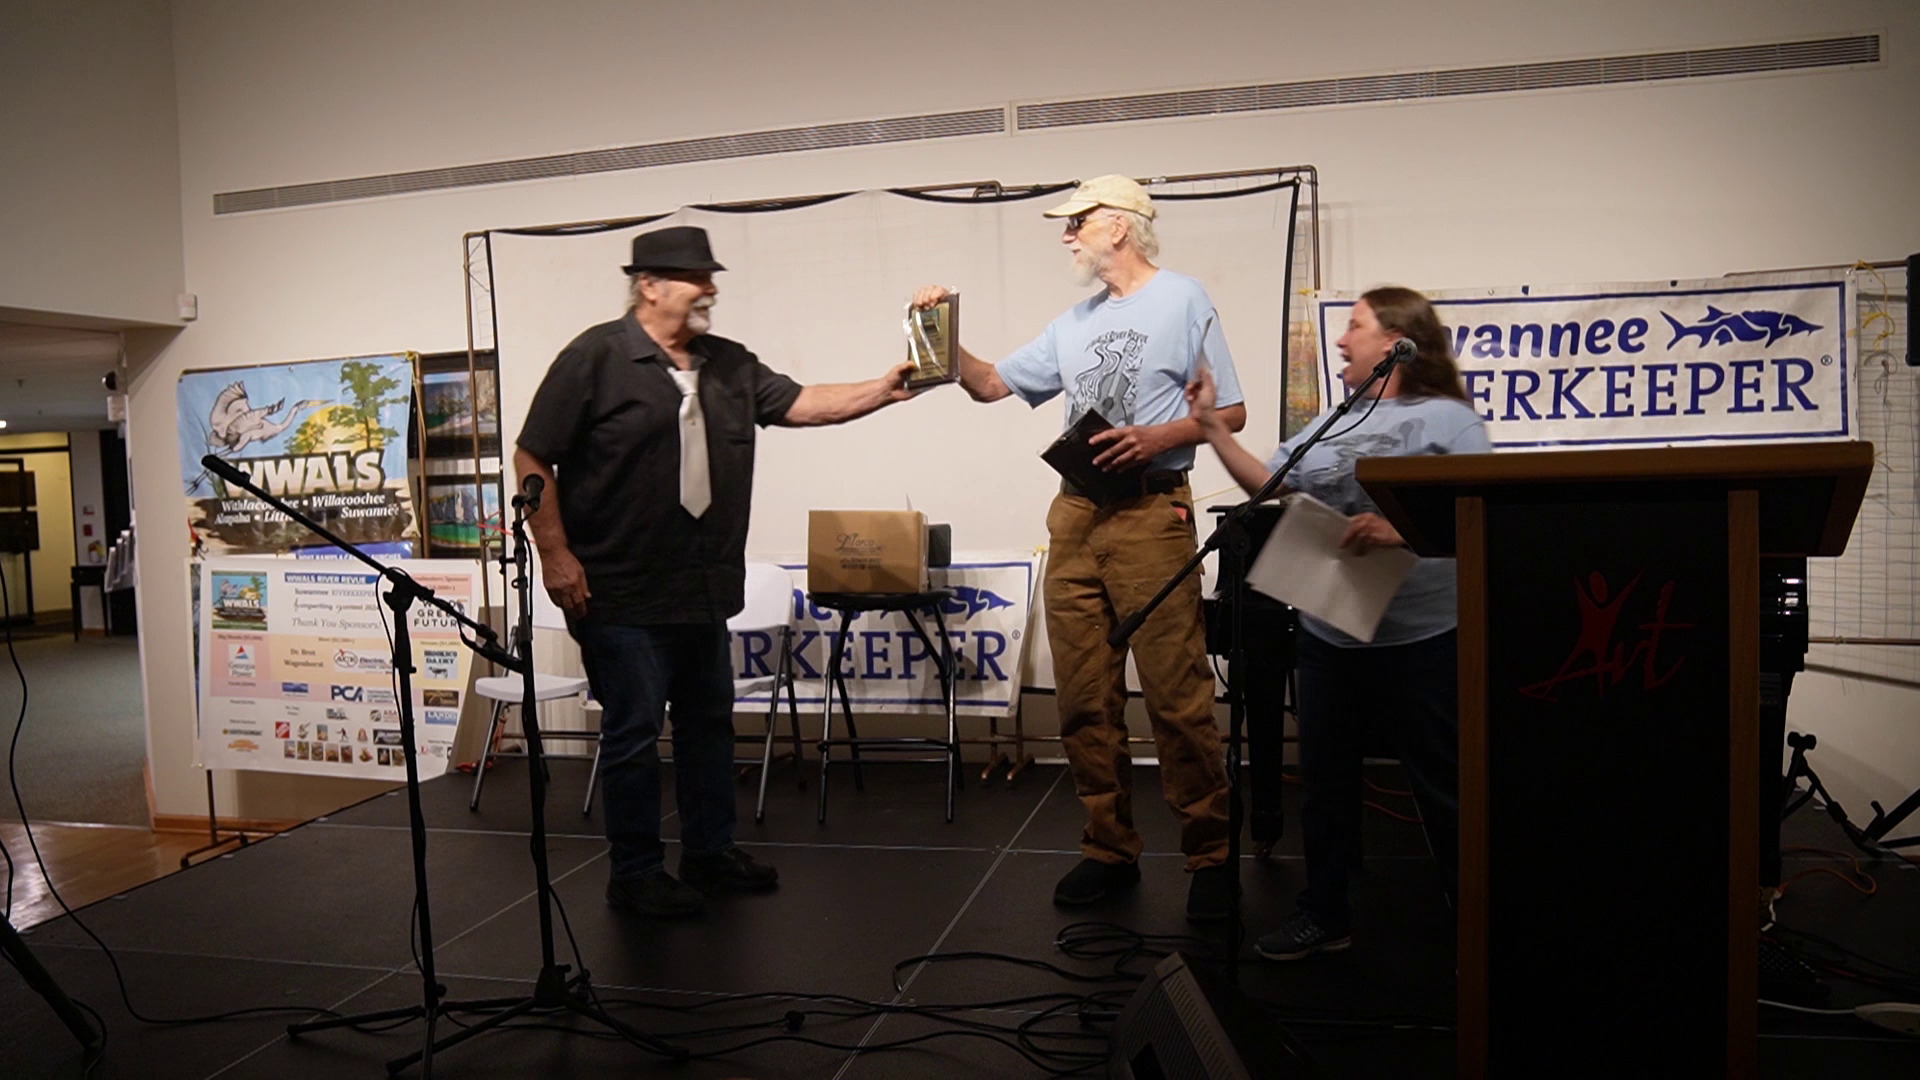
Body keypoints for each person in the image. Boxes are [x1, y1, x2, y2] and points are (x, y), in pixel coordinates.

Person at [516, 225, 918, 918]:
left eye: (709, 277)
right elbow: (533, 457)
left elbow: (802, 403)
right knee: (634, 734)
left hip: (702, 588)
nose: (710, 289)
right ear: (649, 284)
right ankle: (635, 873)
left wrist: (882, 388)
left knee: (709, 726)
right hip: (620, 589)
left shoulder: (728, 363)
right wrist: (555, 554)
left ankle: (708, 852)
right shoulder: (594, 357)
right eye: (696, 277)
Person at [913, 175, 1249, 922]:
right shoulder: (1074, 320)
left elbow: (1231, 409)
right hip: (1075, 514)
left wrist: (1157, 436)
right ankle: (1108, 848)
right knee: (1083, 695)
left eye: (1079, 222)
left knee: (1177, 694)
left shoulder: (1184, 299)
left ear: (1121, 228)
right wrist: (945, 330)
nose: (1067, 234)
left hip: (1152, 511)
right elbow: (994, 385)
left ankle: (1211, 856)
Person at [1186, 285, 1491, 959]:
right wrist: (1210, 429)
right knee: (1323, 783)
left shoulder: (1451, 422)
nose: (1342, 340)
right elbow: (1274, 486)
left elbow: (1479, 512)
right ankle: (1324, 912)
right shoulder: (1336, 419)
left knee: (1444, 782)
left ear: (1396, 342)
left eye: (1355, 326)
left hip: (1423, 638)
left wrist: (1403, 528)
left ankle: (1474, 912)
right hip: (1330, 631)